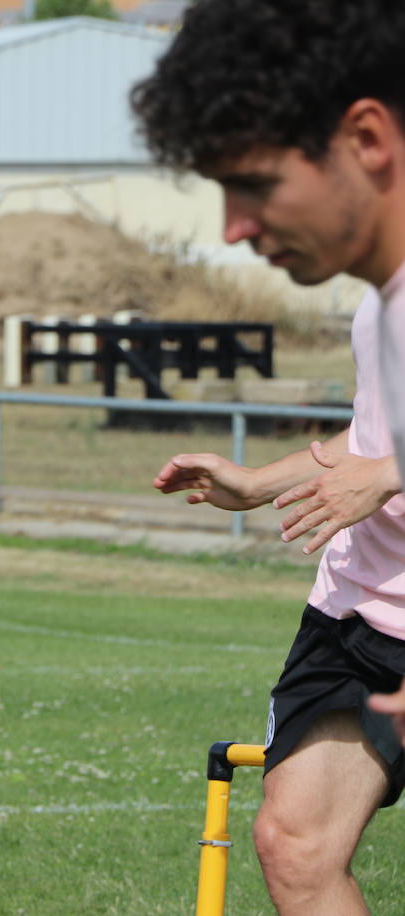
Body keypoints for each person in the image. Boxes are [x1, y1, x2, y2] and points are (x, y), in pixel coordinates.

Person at [132, 2, 405, 912]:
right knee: (293, 845)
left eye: (253, 185)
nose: (233, 228)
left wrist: (395, 471)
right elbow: (373, 440)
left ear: (365, 138)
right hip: (362, 613)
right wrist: (261, 483)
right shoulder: (382, 301)